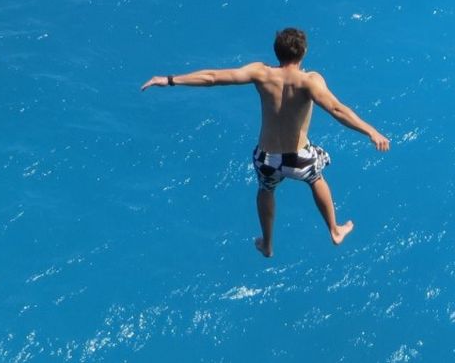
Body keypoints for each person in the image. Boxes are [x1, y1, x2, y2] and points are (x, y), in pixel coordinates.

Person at [141, 26, 390, 257]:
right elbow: (336, 110)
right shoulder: (310, 80)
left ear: (276, 52)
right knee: (316, 177)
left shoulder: (260, 73)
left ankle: (268, 243)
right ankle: (334, 230)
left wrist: (170, 79)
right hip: (299, 158)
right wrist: (371, 131)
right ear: (303, 52)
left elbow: (213, 77)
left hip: (267, 158)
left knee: (266, 190)